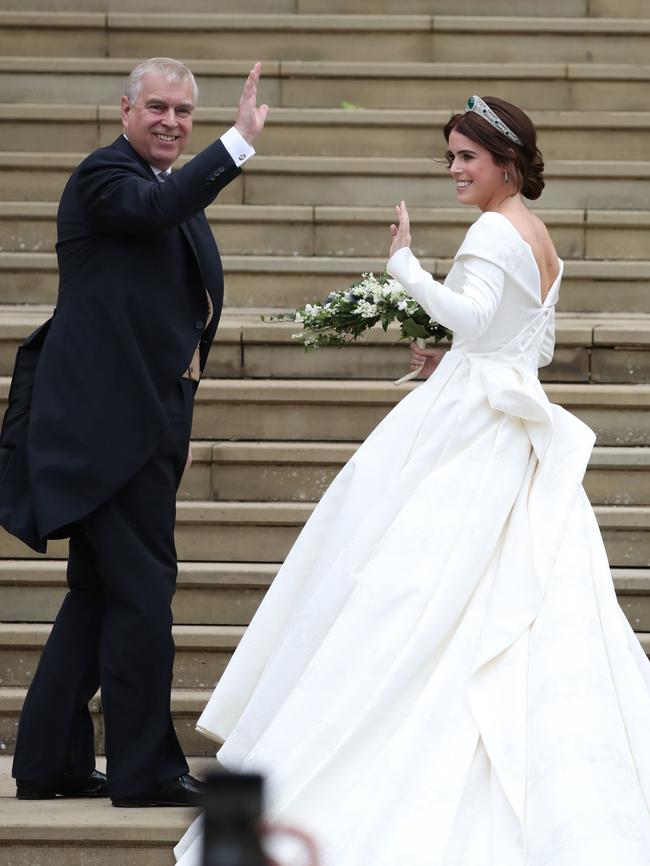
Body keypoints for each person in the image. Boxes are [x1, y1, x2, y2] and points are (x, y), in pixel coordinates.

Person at [176, 97, 650, 863]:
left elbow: (469, 318)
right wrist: (459, 354)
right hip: (505, 423)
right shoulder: (538, 236)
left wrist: (404, 267)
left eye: (468, 157)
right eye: (451, 157)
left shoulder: (494, 229)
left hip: (470, 434)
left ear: (507, 162)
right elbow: (521, 342)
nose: (456, 170)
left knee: (403, 590)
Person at [1, 57, 268, 807]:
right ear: (125, 107)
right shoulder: (104, 177)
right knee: (144, 595)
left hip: (145, 423)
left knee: (99, 594)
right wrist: (235, 143)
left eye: (184, 112)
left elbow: (180, 294)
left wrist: (177, 413)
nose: (172, 123)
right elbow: (157, 214)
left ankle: (48, 761)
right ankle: (145, 769)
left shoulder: (159, 185)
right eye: (158, 107)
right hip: (103, 431)